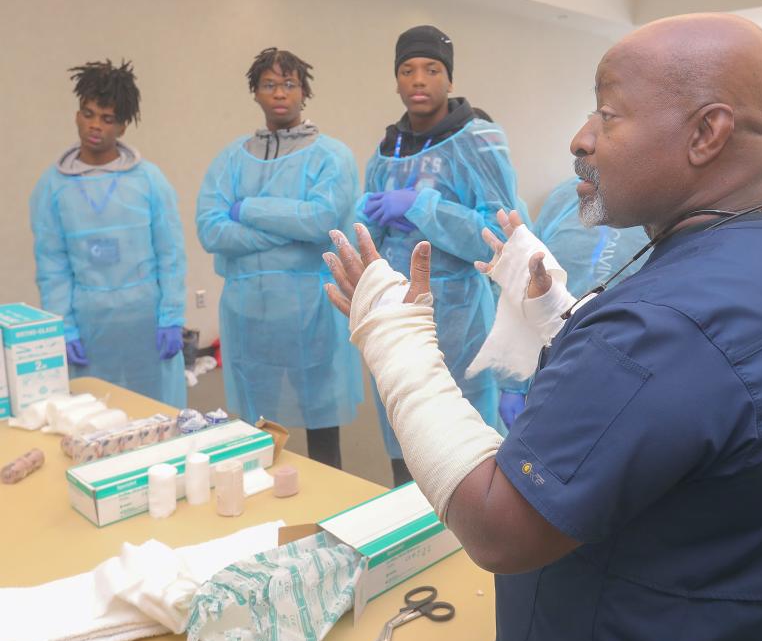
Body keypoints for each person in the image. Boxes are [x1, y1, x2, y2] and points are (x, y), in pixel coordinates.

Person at [325, 13, 762, 641]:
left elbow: (499, 529)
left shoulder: (667, 326)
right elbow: (690, 397)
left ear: (706, 133)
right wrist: (561, 316)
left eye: (608, 114)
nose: (581, 139)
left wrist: (392, 335)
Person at [358, 25, 528, 485]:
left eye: (432, 69)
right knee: (403, 437)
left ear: (448, 79)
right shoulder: (385, 152)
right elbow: (367, 224)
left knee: (461, 458)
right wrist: (368, 219)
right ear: (395, 81)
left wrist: (422, 206)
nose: (419, 79)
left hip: (456, 324)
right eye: (407, 70)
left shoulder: (477, 140)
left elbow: (502, 232)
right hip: (394, 319)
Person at [195, 48, 361, 468]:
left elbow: (320, 221)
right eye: (269, 84)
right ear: (255, 92)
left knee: (322, 425)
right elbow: (210, 229)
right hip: (248, 316)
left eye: (289, 84)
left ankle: (330, 504)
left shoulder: (331, 156)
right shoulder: (231, 159)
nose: (280, 93)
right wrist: (286, 229)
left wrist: (247, 209)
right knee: (257, 427)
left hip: (311, 313)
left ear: (304, 91)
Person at [30, 60, 187, 407]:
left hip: (146, 321)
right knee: (95, 418)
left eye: (107, 118)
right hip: (90, 322)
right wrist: (63, 327)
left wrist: (172, 317)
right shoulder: (53, 187)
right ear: (76, 115)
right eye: (88, 114)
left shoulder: (149, 181)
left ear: (123, 126)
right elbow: (52, 266)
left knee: (157, 415)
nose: (95, 126)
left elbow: (171, 255)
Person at [498, 176, 652, 428]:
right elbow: (531, 286)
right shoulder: (568, 196)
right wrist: (514, 381)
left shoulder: (665, 211)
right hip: (548, 358)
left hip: (620, 372)